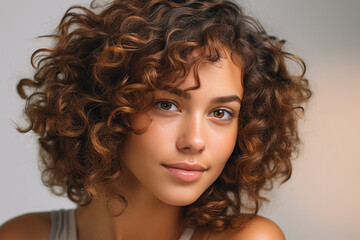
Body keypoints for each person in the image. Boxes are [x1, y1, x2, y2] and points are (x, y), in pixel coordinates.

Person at [0, 0, 311, 239]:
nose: (195, 141)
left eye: (220, 113)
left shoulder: (250, 238)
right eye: (167, 104)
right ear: (105, 105)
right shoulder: (22, 235)